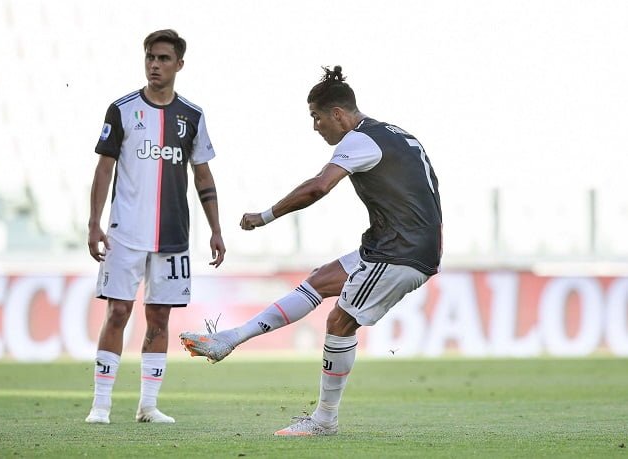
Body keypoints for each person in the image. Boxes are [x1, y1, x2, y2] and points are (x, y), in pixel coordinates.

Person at [180, 66, 441, 436]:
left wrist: (265, 216)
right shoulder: (396, 134)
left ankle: (323, 421)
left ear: (338, 114)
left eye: (316, 118)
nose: (315, 127)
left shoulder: (359, 139)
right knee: (320, 280)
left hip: (400, 250)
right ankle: (230, 339)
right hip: (399, 243)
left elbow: (319, 187)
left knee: (340, 322)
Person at [85, 29, 225, 424]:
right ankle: (101, 405)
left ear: (179, 64)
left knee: (160, 318)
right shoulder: (122, 109)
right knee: (118, 312)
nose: (154, 65)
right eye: (150, 57)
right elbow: (103, 168)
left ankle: (148, 406)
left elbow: (203, 176)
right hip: (126, 232)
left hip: (173, 234)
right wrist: (94, 223)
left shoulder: (192, 116)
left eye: (163, 58)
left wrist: (215, 229)